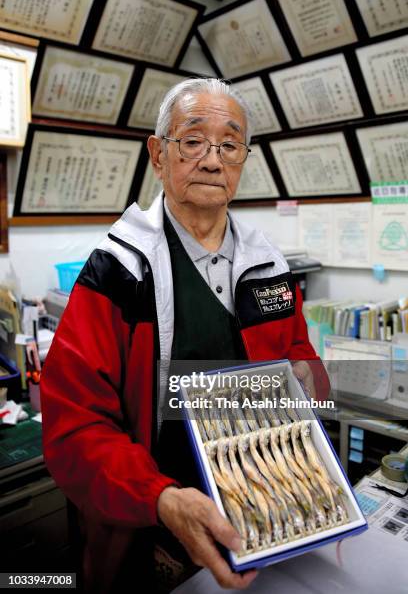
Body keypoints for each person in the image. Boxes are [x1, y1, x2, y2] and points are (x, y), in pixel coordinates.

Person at [41, 78, 327, 593]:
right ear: (158, 153)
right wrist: (160, 497)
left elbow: (300, 355)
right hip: (149, 531)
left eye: (229, 144)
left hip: (263, 515)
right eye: (193, 141)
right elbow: (74, 429)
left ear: (243, 158)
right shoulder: (118, 272)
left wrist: (310, 380)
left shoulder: (269, 266)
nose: (212, 161)